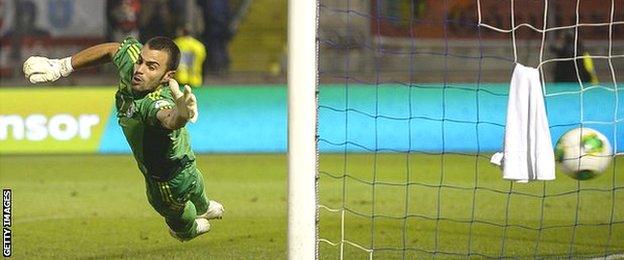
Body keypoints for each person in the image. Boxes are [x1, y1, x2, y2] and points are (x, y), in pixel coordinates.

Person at [22, 36, 225, 242]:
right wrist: (62, 66)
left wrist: (182, 113)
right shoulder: (140, 82)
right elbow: (112, 49)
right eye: (140, 61)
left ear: (167, 76)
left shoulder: (156, 101)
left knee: (192, 197)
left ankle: (199, 213)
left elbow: (170, 118)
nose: (140, 69)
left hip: (177, 172)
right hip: (174, 172)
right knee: (187, 211)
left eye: (152, 67)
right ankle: (192, 224)